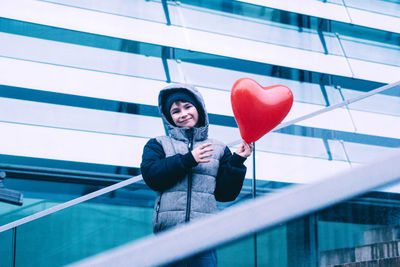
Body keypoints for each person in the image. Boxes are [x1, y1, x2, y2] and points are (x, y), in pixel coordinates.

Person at [140, 83, 253, 266]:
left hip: (204, 236)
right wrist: (188, 159)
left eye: (187, 107)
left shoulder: (219, 148)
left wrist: (237, 161)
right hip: (168, 236)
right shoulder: (157, 144)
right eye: (175, 111)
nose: (183, 114)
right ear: (169, 117)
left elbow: (225, 195)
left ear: (198, 108)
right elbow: (152, 177)